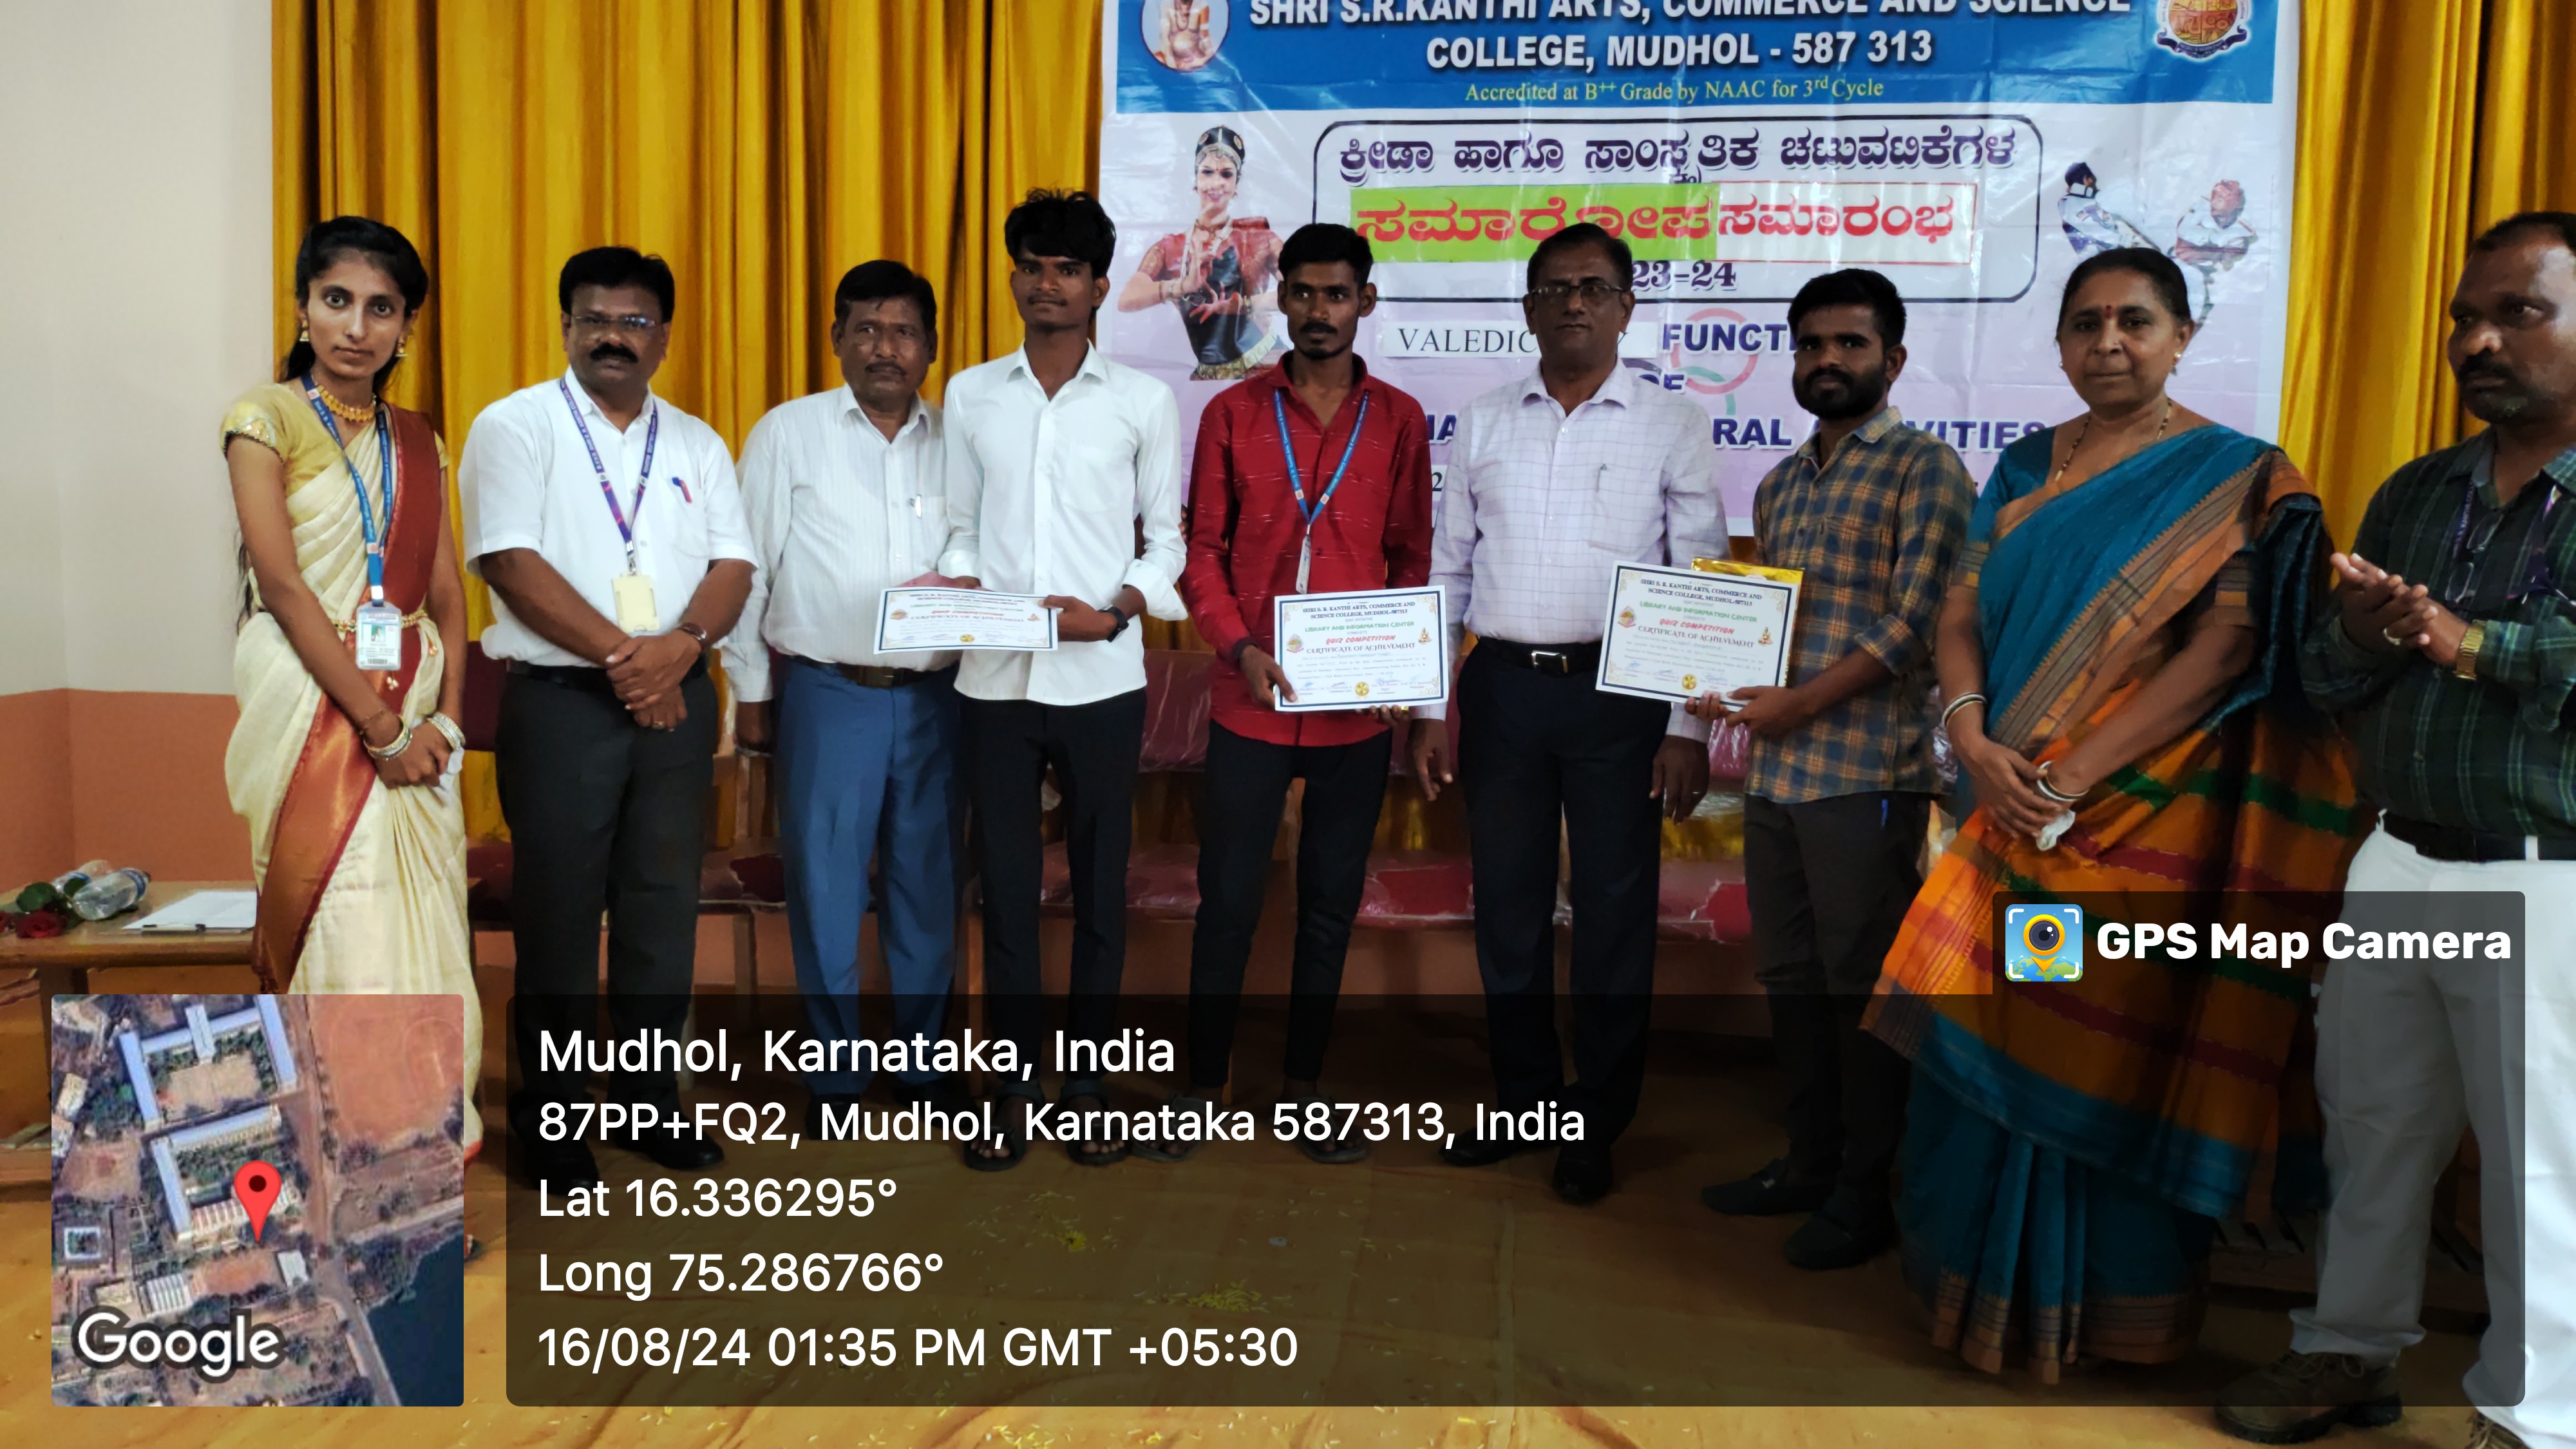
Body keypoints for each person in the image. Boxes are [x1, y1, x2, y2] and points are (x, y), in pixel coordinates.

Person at [1867, 246, 2364, 1379]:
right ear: (2059, 343)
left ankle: (2102, 1319)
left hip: (2126, 826)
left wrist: (2065, 779)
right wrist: (1969, 732)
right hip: (1996, 802)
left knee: (2091, 1047)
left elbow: (2228, 648)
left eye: (2135, 321)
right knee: (1970, 1048)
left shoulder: (2236, 475)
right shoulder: (2024, 464)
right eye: (2086, 323)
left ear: (2182, 336)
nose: (2108, 343)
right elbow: (1960, 610)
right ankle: (1972, 1301)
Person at [2219, 211, 2576, 1449]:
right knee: (2371, 1126)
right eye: (2465, 319)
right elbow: (2329, 674)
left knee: (2541, 1161)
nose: (2479, 341)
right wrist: (2369, 635)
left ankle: (2536, 1418)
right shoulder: (2419, 492)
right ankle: (2347, 1353)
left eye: (2520, 313)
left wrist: (2471, 643)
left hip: (2546, 877)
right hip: (2399, 855)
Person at [1411, 222, 1721, 1206]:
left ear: (1626, 307)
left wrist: (1687, 727)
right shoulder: (1482, 422)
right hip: (1502, 688)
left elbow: (1700, 580)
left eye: (1592, 287)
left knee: (1614, 915)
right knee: (1507, 908)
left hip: (1621, 697)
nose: (1573, 302)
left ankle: (1596, 1117)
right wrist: (1431, 707)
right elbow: (1449, 572)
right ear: (1528, 308)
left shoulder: (1671, 423)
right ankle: (1525, 1102)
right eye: (1553, 288)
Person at [1691, 269, 1974, 1269]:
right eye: (1811, 344)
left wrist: (1798, 702)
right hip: (1777, 774)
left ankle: (1866, 1191)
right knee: (1791, 976)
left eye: (1850, 344)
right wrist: (1711, 673)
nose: (1827, 360)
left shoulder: (1925, 469)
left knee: (1862, 985)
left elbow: (1915, 625)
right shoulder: (1779, 484)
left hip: (1867, 774)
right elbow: (1768, 627)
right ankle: (1807, 1162)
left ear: (1893, 359)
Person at [460, 247, 755, 1191]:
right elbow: (509, 563)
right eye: (594, 319)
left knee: (660, 913)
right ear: (566, 328)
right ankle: (550, 1122)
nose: (613, 337)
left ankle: (646, 1103)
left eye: (634, 322)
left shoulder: (698, 444)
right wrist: (634, 661)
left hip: (677, 698)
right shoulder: (515, 426)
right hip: (564, 708)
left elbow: (735, 566)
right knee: (557, 917)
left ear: (663, 337)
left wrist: (684, 645)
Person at [1142, 223, 1434, 1164]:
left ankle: (1305, 1089)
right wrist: (1237, 649)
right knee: (1227, 902)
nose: (1317, 310)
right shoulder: (1232, 412)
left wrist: (1398, 667)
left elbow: (1411, 558)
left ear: (1365, 303)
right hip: (1252, 700)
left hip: (1354, 711)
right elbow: (1202, 554)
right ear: (1282, 300)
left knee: (1328, 906)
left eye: (1336, 294)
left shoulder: (1399, 419)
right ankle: (1203, 1086)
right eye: (1301, 293)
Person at [221, 216, 480, 1161]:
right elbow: (285, 586)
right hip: (312, 708)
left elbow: (447, 594)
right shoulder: (265, 420)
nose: (356, 327)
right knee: (350, 922)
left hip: (414, 713)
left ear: (407, 326)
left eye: (381, 308)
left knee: (421, 927)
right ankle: (344, 1155)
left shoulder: (418, 440)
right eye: (337, 300)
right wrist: (378, 728)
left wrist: (446, 725)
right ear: (304, 308)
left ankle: (419, 1159)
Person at [940, 190, 1187, 1170]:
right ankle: (1013, 1089)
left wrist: (1116, 612)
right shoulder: (972, 395)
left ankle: (1084, 1087)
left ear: (1097, 286)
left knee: (1098, 890)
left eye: (1068, 269)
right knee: (1004, 890)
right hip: (993, 683)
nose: (1048, 284)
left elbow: (1165, 543)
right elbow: (960, 528)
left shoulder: (1142, 401)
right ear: (1013, 279)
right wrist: (961, 588)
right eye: (1032, 266)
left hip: (1101, 679)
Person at [726, 261, 962, 1139]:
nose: (884, 348)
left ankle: (924, 1064)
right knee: (825, 888)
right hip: (829, 693)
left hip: (941, 697)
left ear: (930, 347)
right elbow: (746, 568)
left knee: (926, 887)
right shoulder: (788, 433)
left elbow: (986, 552)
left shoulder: (962, 438)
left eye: (903, 332)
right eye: (865, 329)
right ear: (836, 340)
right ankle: (834, 1075)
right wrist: (751, 692)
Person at [1117, 126, 1283, 381]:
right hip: (1206, 377)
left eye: (1226, 174)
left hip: (1265, 367)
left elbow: (1302, 292)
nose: (1216, 183)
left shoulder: (1260, 238)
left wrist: (1244, 306)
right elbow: (1127, 299)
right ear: (1196, 178)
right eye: (1207, 172)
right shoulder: (1170, 247)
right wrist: (1182, 285)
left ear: (1237, 182)